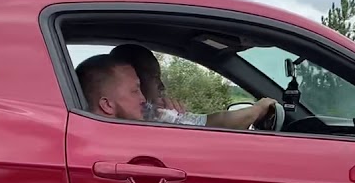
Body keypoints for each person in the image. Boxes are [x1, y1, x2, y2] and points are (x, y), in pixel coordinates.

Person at [107, 43, 277, 130]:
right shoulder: (149, 115)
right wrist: (258, 109)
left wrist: (178, 122)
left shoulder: (151, 114)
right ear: (135, 79)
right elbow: (217, 124)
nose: (162, 85)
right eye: (154, 77)